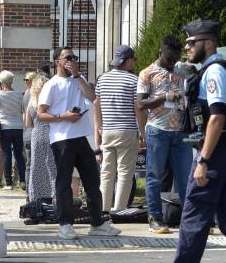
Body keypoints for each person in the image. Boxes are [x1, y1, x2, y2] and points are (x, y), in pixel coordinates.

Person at [137, 19, 226, 263]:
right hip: (224, 153)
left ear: (209, 43)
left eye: (192, 43)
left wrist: (202, 159)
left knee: (193, 220)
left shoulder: (214, 71)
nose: (187, 47)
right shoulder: (216, 69)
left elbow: (215, 117)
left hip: (212, 154)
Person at [37, 47, 119, 240]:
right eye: (67, 57)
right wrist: (62, 116)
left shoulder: (77, 80)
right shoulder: (52, 85)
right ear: (57, 61)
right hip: (62, 138)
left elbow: (92, 97)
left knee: (92, 180)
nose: (71, 60)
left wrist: (77, 75)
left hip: (81, 136)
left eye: (74, 57)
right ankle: (65, 223)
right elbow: (41, 114)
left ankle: (97, 222)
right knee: (64, 182)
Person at [137, 35, 192, 233]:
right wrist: (164, 97)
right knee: (155, 176)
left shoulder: (181, 71)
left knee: (185, 178)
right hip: (158, 130)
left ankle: (189, 218)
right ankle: (155, 217)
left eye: (175, 59)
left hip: (180, 131)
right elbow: (141, 103)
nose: (172, 63)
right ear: (161, 52)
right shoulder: (147, 73)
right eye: (169, 59)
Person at [94, 45, 143, 212]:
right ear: (128, 60)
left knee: (106, 173)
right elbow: (138, 108)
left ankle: (103, 209)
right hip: (127, 130)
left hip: (107, 130)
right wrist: (142, 133)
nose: (134, 62)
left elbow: (97, 105)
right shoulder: (133, 80)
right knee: (124, 173)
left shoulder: (102, 79)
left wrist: (99, 129)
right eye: (133, 59)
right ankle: (120, 210)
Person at [24, 73, 55, 211]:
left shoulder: (32, 101)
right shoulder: (49, 102)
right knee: (52, 166)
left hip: (36, 135)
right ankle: (54, 193)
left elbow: (28, 123)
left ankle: (36, 196)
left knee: (36, 167)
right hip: (50, 133)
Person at [0, 71, 25, 190]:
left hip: (5, 127)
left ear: (1, 82)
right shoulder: (19, 94)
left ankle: (9, 183)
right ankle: (22, 181)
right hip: (18, 126)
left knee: (6, 154)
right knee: (19, 154)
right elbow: (22, 109)